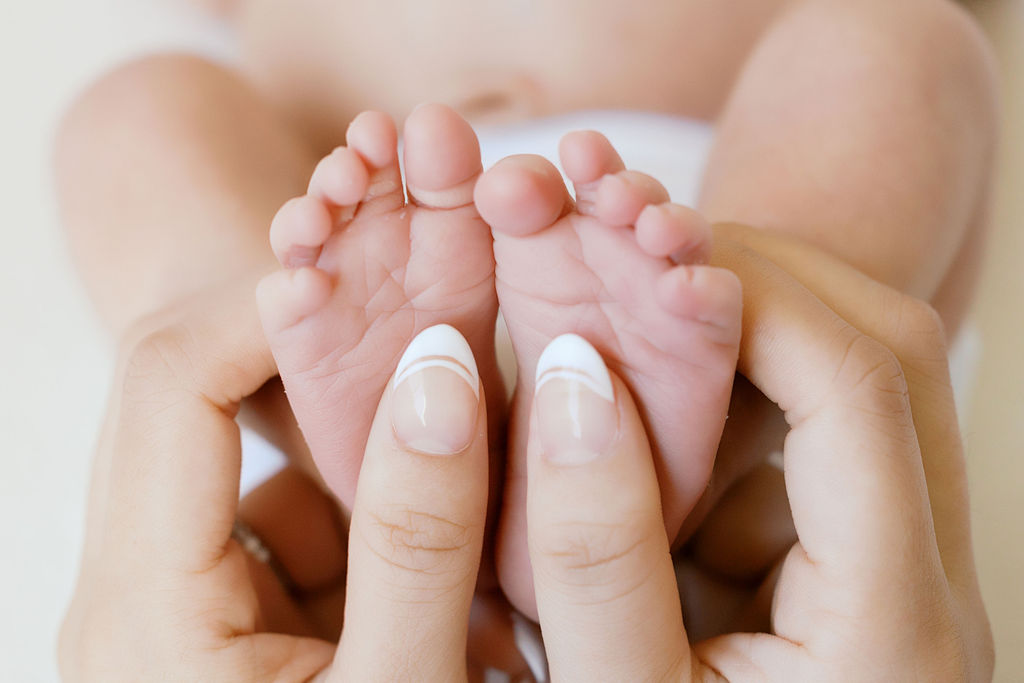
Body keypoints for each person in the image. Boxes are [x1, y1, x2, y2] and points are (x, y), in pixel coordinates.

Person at [55, 0, 998, 620]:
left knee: (901, 37)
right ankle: (330, 431)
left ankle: (713, 428)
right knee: (134, 107)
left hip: (706, 218)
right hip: (351, 250)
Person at [59, 231, 993, 681]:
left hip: (358, 226)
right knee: (897, 44)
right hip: (671, 208)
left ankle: (319, 394)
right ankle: (687, 446)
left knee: (146, 98)